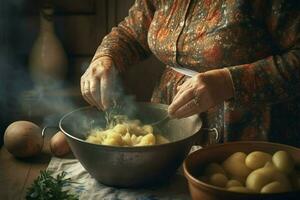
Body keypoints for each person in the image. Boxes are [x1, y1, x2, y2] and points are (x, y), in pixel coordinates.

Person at [81, 0, 300, 147]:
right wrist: (105, 57)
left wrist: (229, 83)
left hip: (249, 136)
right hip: (171, 125)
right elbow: (132, 32)